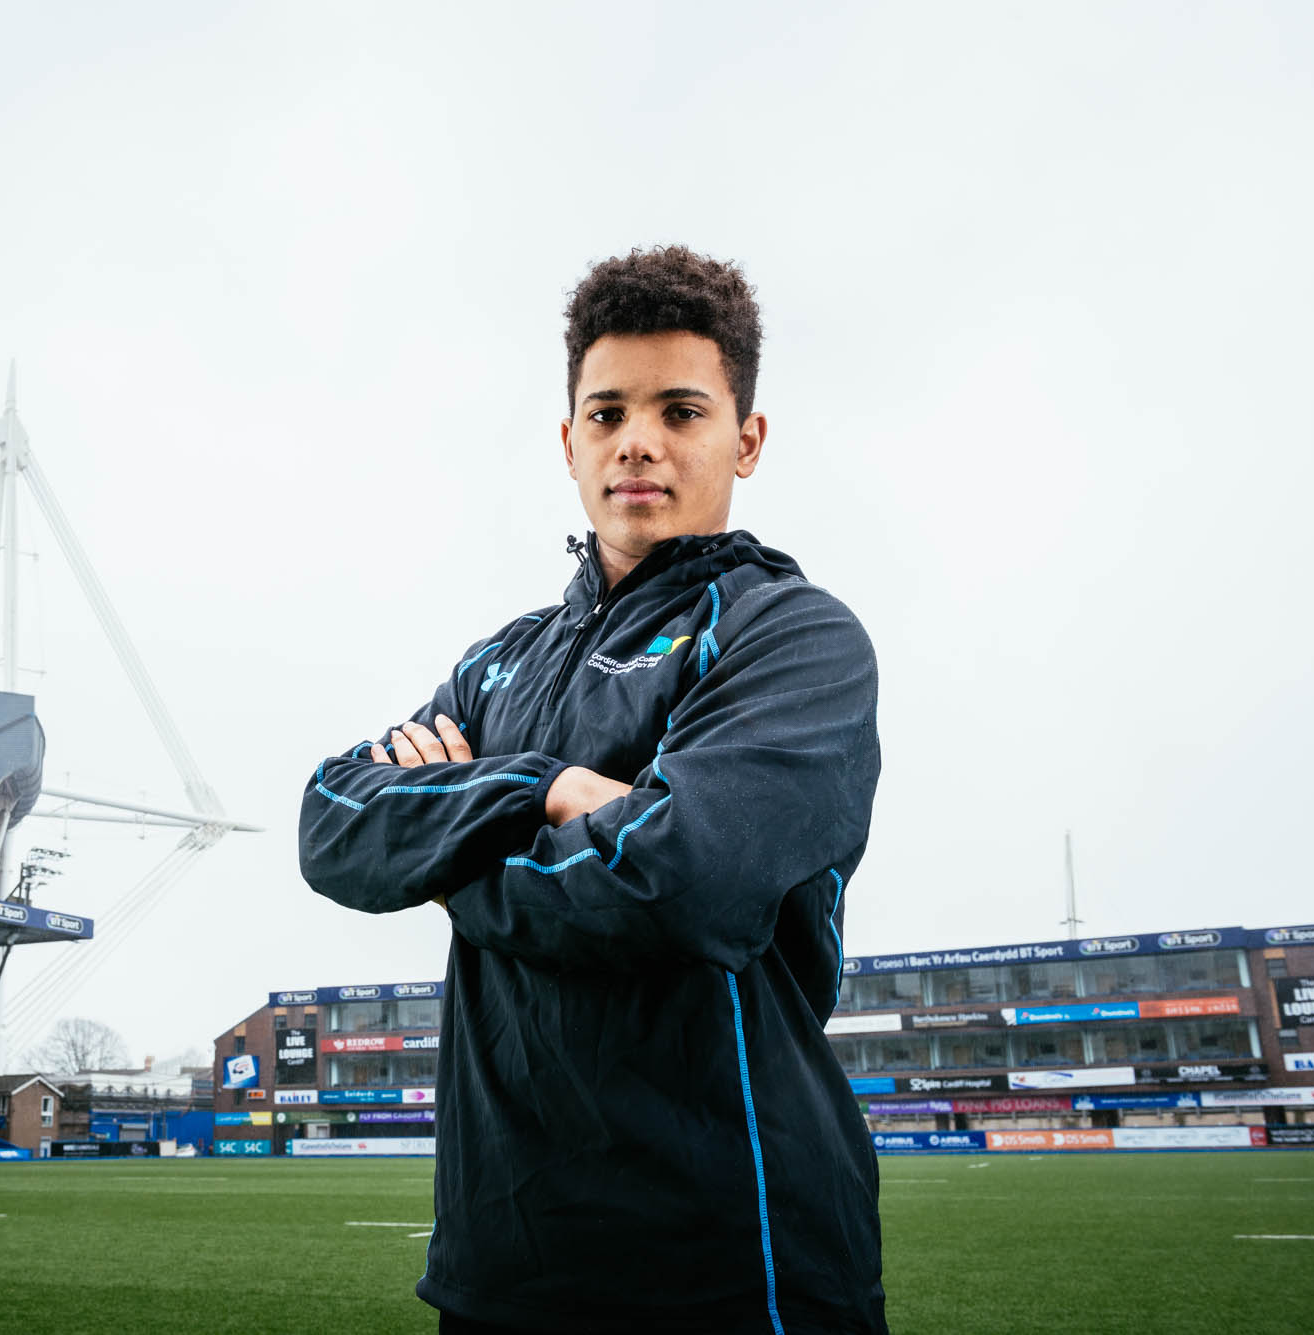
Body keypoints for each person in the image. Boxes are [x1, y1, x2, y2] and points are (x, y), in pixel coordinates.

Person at [298, 245, 885, 1334]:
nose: (638, 443)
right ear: (568, 440)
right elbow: (331, 823)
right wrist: (552, 787)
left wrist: (448, 848)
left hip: (733, 1262)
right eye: (606, 412)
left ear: (744, 440)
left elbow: (676, 883)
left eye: (680, 410)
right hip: (498, 1261)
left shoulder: (792, 638)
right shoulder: (497, 664)